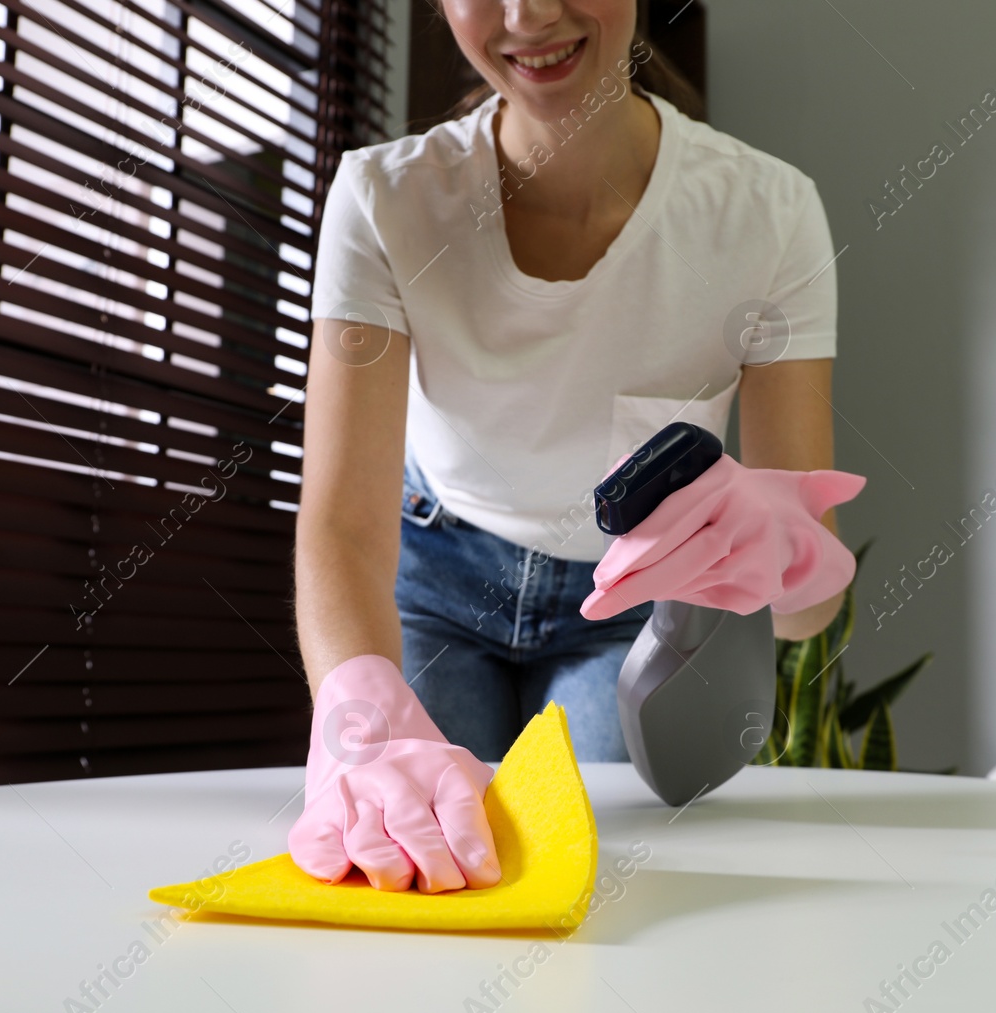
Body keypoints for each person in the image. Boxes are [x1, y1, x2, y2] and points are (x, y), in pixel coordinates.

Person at [288, 0, 861, 895]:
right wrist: (358, 706)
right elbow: (343, 525)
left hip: (638, 613)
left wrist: (777, 554)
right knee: (420, 868)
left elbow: (802, 612)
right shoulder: (382, 198)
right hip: (432, 578)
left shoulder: (769, 213)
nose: (528, 14)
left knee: (606, 877)